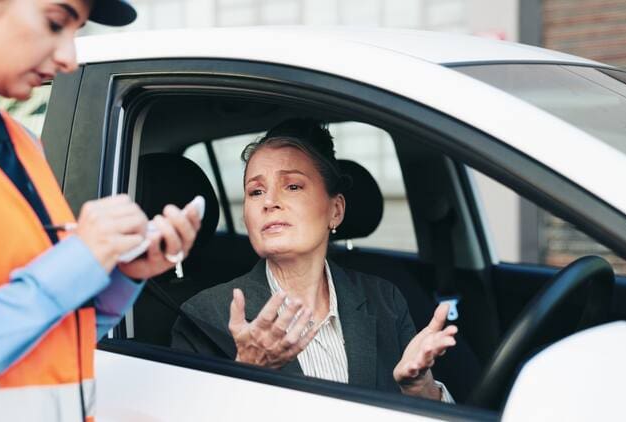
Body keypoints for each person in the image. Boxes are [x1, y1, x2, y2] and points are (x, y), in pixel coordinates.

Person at [0, 0, 201, 419]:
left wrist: (120, 275)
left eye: (77, 31)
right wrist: (77, 261)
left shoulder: (21, 144)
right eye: (56, 23)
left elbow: (44, 340)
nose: (69, 58)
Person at [171, 118, 458, 402]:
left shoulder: (385, 301)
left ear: (336, 210)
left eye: (292, 186)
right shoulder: (204, 318)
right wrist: (249, 371)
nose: (269, 201)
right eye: (255, 191)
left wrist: (421, 390)